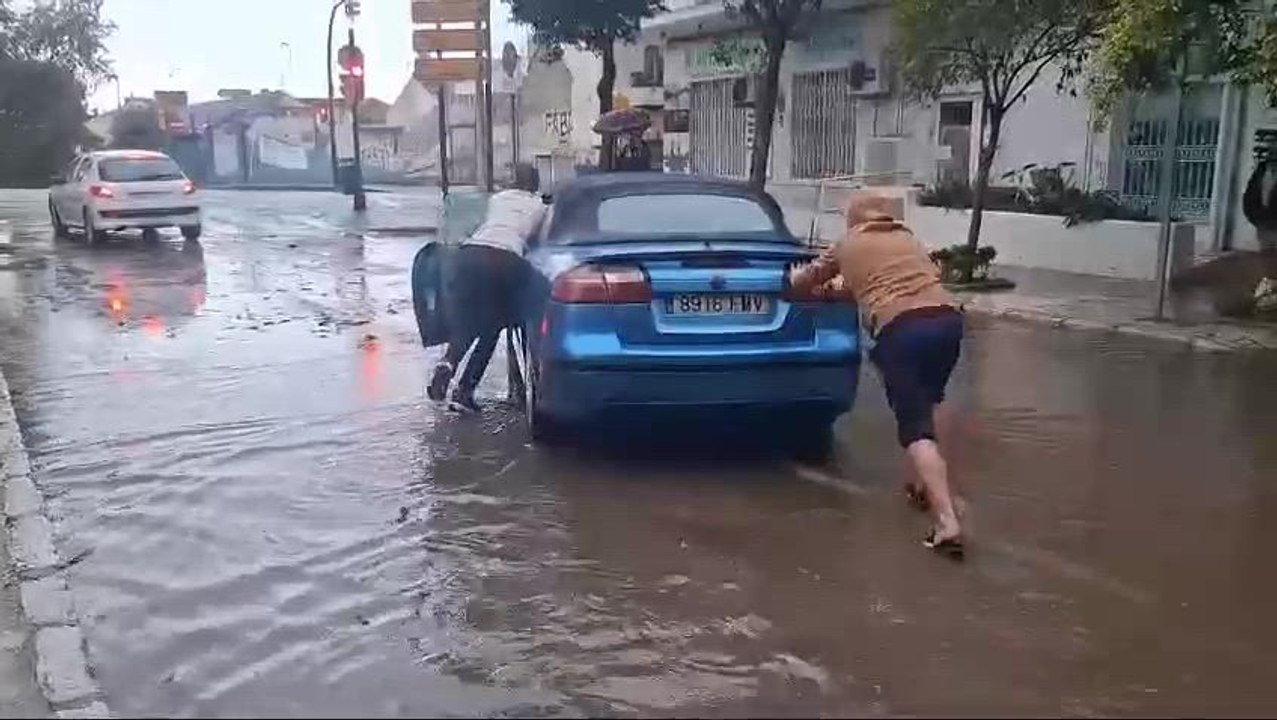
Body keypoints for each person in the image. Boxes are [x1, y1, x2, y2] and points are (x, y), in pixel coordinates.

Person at [788, 191, 967, 558]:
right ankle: (921, 485)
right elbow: (892, 277)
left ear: (853, 218)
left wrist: (795, 277)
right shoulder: (907, 238)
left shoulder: (847, 244)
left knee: (915, 428)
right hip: (947, 321)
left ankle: (947, 521)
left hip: (902, 329)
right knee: (933, 398)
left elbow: (804, 282)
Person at [427, 163, 546, 413]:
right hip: (505, 260)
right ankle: (465, 390)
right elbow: (540, 242)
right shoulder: (540, 208)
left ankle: (449, 362)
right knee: (494, 325)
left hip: (469, 255)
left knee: (470, 321)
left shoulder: (498, 199)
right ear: (534, 184)